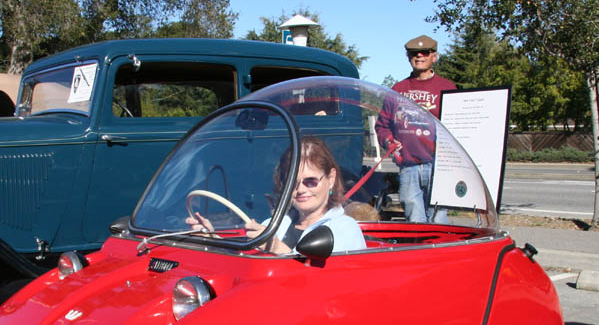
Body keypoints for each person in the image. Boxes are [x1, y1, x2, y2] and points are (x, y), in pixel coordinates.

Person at [189, 136, 366, 254]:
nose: (301, 190)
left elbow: (322, 284)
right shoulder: (275, 224)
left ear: (331, 178)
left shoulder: (344, 230)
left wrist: (277, 248)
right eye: (293, 184)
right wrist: (211, 238)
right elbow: (244, 261)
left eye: (310, 181)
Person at [375, 35, 456, 223]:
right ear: (408, 57)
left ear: (434, 57)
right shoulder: (398, 89)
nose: (419, 56)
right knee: (414, 219)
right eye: (413, 53)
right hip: (408, 165)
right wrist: (388, 141)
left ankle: (441, 252)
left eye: (425, 52)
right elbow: (382, 125)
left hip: (438, 165)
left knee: (439, 217)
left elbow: (457, 126)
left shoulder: (447, 87)